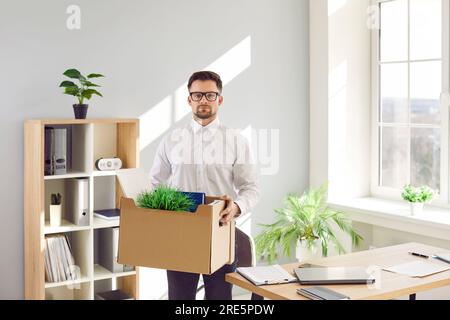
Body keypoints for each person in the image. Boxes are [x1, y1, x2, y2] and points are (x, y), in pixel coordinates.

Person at [149, 71, 260, 300]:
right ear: (189, 100)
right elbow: (156, 183)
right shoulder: (172, 140)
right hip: (181, 234)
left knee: (219, 299)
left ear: (220, 99)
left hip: (221, 232)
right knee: (180, 300)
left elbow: (251, 189)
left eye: (210, 95)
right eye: (197, 95)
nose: (203, 100)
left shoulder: (236, 140)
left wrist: (236, 208)